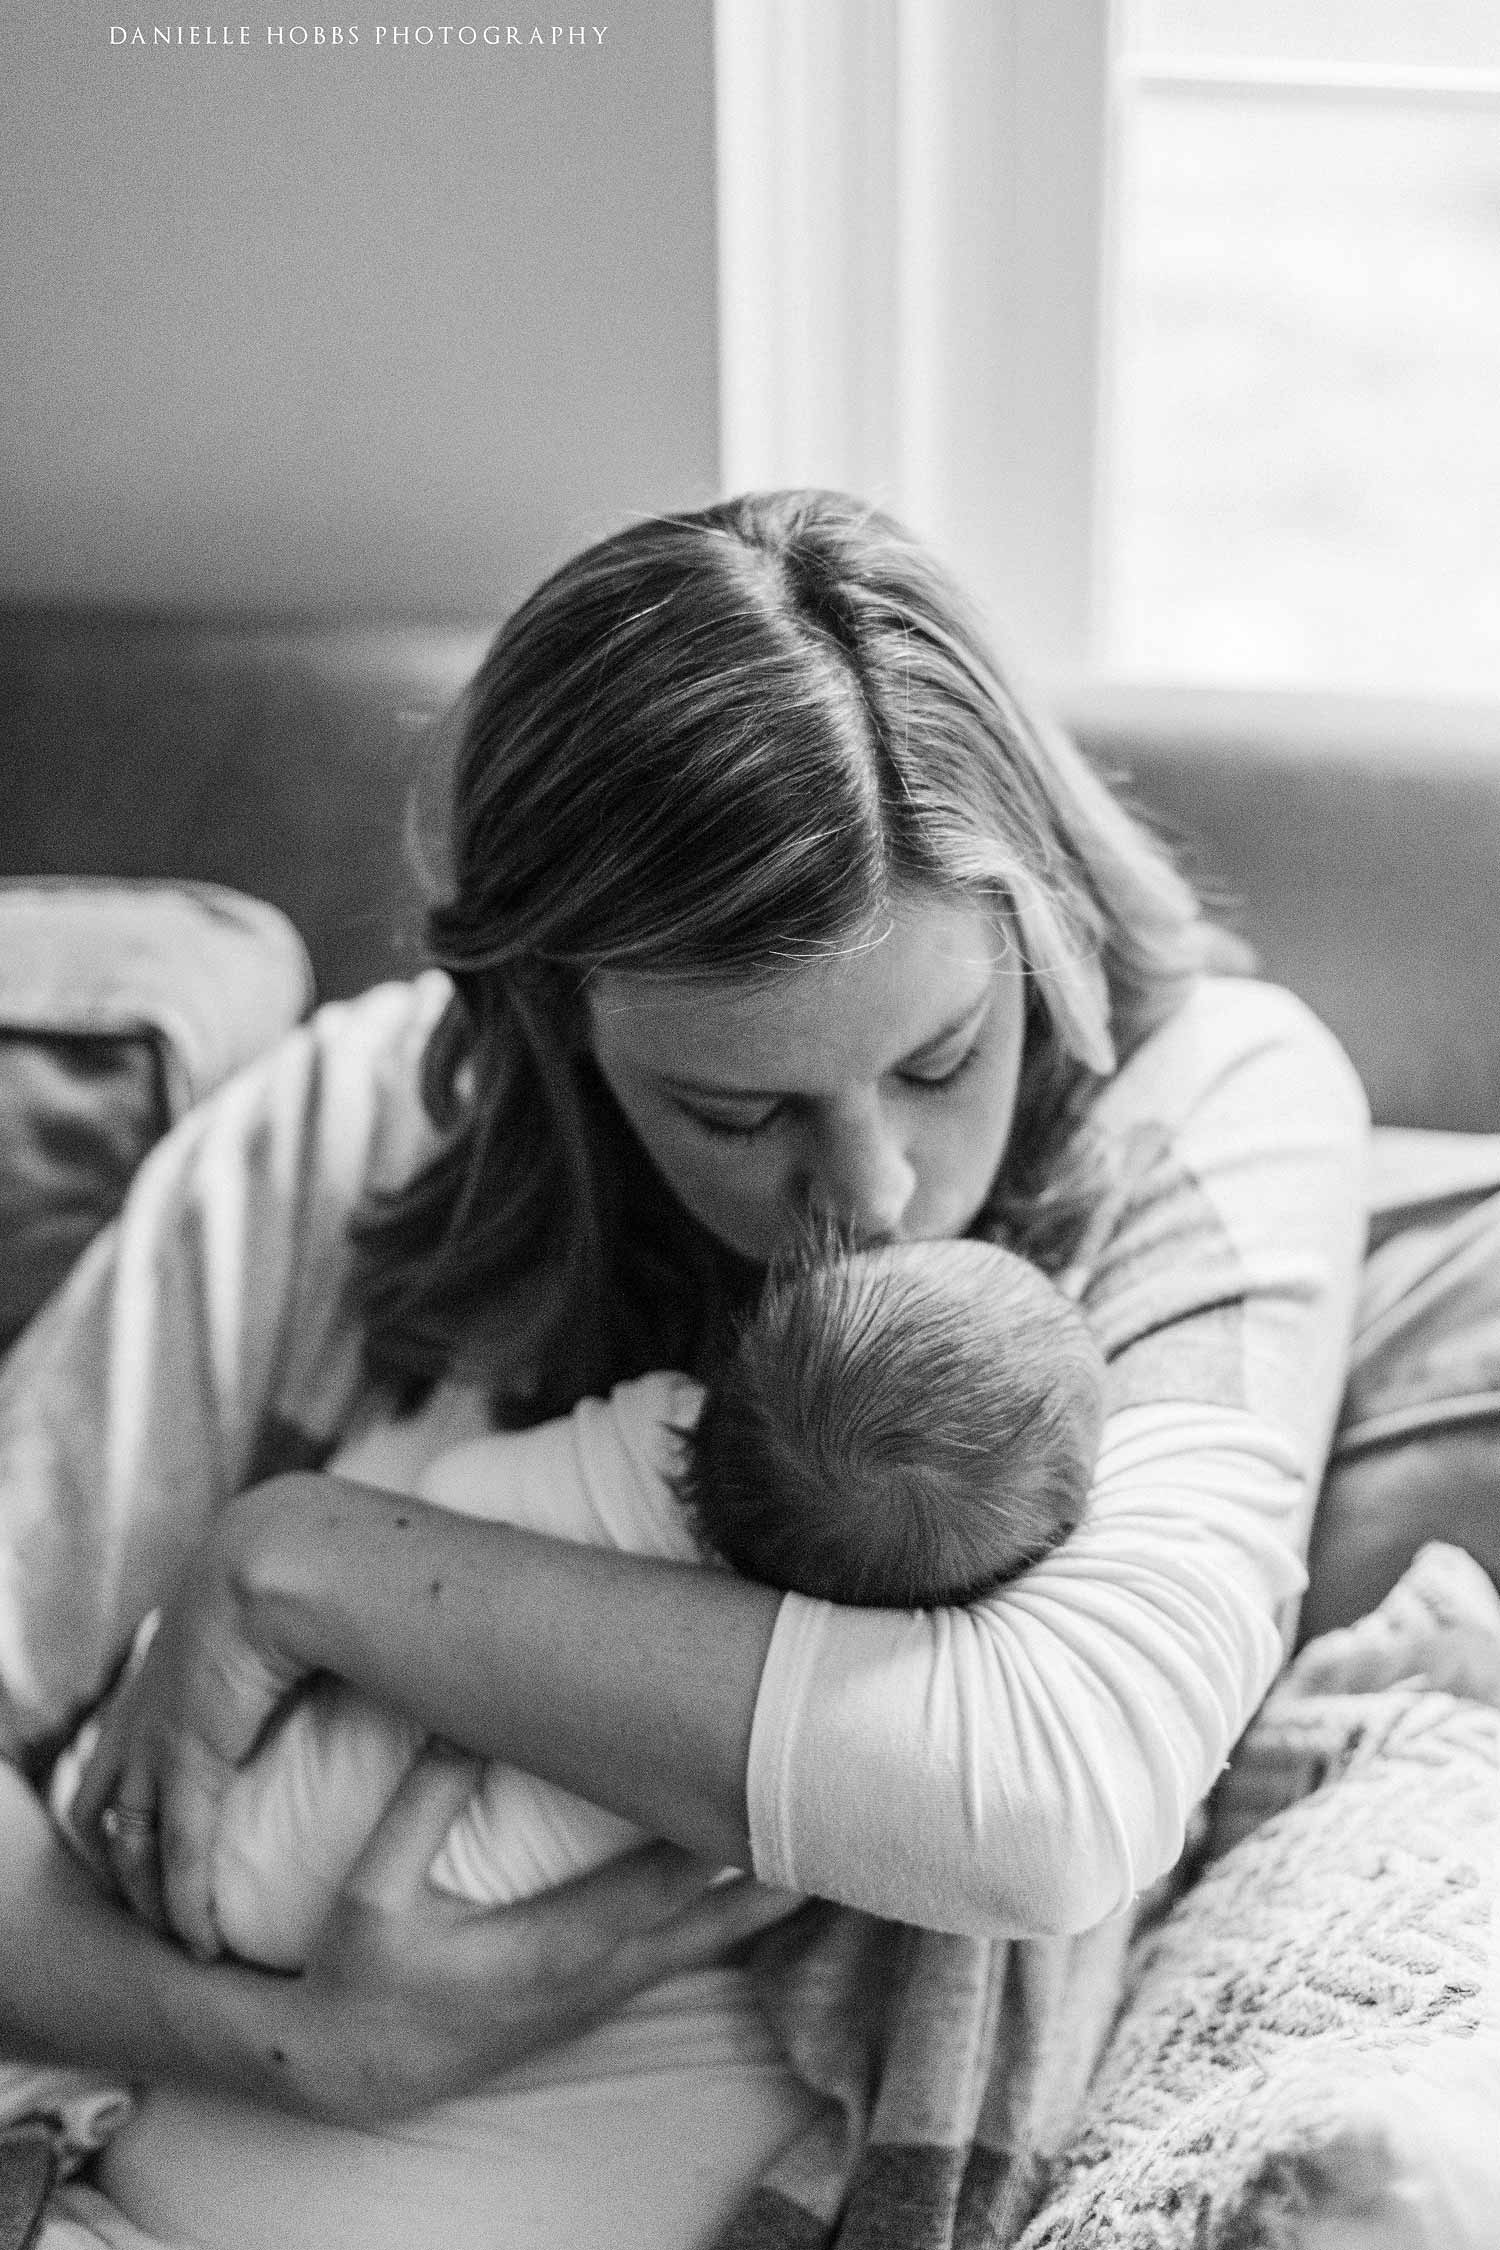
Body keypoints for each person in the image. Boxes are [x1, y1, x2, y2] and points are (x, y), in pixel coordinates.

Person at [0, 490, 1369, 2250]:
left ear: (1037, 937)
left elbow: (1046, 1797)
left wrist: (305, 1563)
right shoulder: (342, 1131)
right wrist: (299, 2046)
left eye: (944, 1055)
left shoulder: (1207, 1118)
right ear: (557, 1037)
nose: (873, 1196)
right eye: (738, 1111)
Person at [51, 1236, 1103, 1971]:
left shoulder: (640, 1436)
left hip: (207, 1842)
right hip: (318, 1915)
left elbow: (450, 1501)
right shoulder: (846, 1688)